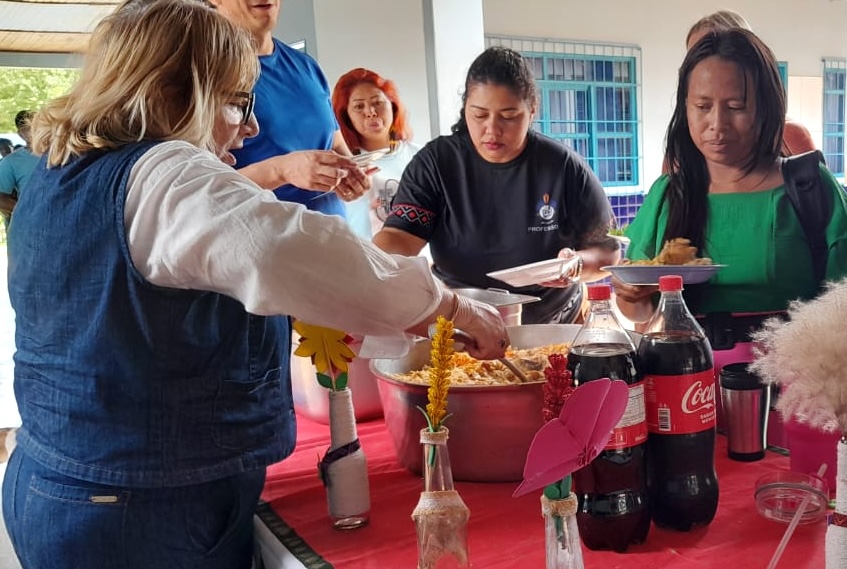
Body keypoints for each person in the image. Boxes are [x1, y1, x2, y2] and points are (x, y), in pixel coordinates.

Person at [0, 2, 509, 569]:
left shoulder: (59, 173)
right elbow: (297, 251)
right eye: (237, 103)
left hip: (57, 479)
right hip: (138, 507)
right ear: (174, 93)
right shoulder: (165, 176)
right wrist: (449, 306)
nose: (248, 129)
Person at [615, 29, 847, 369]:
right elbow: (640, 311)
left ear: (766, 109)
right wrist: (631, 297)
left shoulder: (809, 188)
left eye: (736, 107)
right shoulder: (668, 194)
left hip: (797, 381)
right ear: (685, 108)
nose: (717, 124)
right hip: (686, 379)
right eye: (702, 106)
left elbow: (844, 304)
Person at [372, 46, 619, 325]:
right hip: (462, 319)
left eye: (509, 116)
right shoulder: (436, 163)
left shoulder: (562, 166)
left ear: (532, 110)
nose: (492, 130)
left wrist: (576, 265)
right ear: (465, 108)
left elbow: (607, 250)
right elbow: (400, 236)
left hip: (553, 321)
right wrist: (371, 268)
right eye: (479, 115)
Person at [206, 0, 370, 218]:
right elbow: (201, 194)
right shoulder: (201, 75)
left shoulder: (306, 66)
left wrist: (352, 175)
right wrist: (280, 171)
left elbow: (335, 143)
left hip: (331, 233)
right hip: (263, 235)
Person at [685, 9, 816, 157]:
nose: (717, 124)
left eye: (735, 107)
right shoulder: (682, 148)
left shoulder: (790, 136)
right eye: (695, 57)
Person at [331, 67, 421, 239]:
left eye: (377, 102)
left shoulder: (421, 157)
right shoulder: (342, 166)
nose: (371, 112)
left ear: (392, 105)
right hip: (361, 254)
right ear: (346, 116)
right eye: (359, 106)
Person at [0, 110, 39, 227]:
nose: (38, 130)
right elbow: (1, 199)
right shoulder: (10, 162)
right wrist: (28, 212)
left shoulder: (62, 155)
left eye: (40, 125)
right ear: (21, 134)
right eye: (30, 128)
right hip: (28, 227)